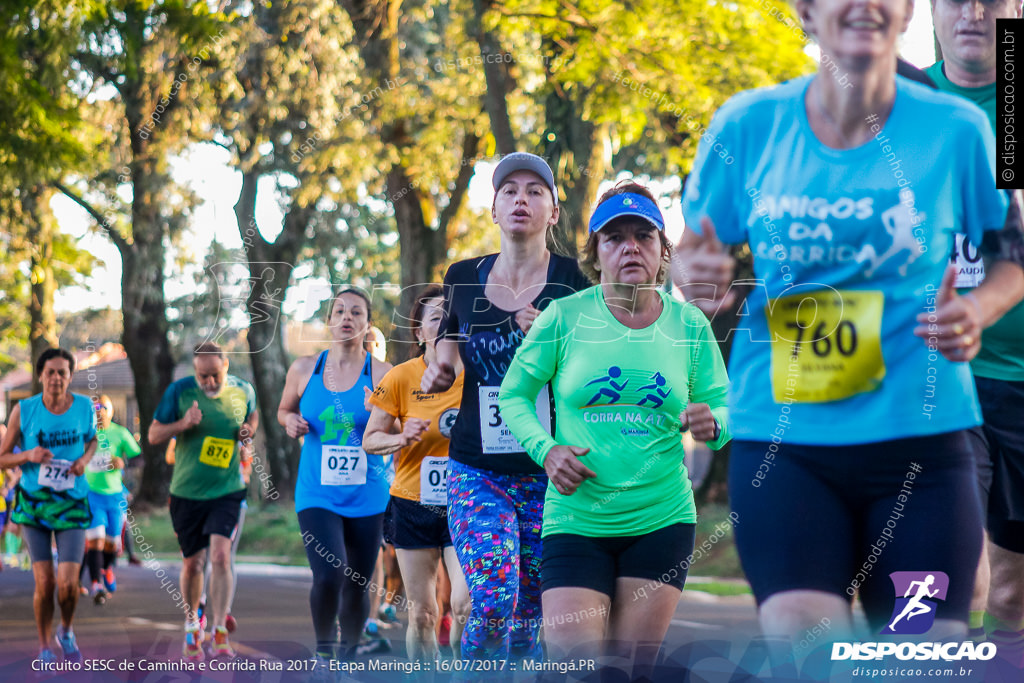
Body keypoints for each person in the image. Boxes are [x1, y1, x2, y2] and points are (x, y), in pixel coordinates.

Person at [673, 0, 1024, 643]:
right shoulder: (749, 124)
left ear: (906, 10)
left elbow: (1011, 253)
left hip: (924, 442)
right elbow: (695, 253)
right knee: (806, 643)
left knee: (922, 645)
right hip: (788, 439)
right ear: (805, 10)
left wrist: (976, 308)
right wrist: (698, 276)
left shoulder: (958, 128)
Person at [499, 184, 731, 671]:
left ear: (663, 252)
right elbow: (513, 395)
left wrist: (714, 424)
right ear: (595, 254)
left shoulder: (688, 324)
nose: (630, 247)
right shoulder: (564, 316)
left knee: (629, 670)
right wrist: (546, 450)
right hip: (576, 520)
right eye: (614, 238)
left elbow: (723, 407)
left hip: (661, 519)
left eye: (643, 236)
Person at [421, 152, 592, 661]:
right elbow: (447, 349)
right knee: (495, 599)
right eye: (510, 191)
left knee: (532, 612)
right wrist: (440, 367)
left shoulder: (575, 282)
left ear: (554, 212)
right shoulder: (463, 276)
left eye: (535, 191)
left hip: (550, 472)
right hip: (478, 468)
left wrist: (550, 337)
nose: (522, 199)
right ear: (494, 208)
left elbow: (592, 371)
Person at [928, 0, 1024, 656]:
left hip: (1019, 379)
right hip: (937, 374)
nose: (972, 12)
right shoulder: (900, 102)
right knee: (953, 577)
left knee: (1015, 590)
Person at [278, 288, 392, 668]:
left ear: (367, 324)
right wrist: (290, 421)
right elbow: (283, 411)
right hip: (318, 493)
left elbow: (402, 430)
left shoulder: (383, 374)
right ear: (328, 321)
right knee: (329, 574)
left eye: (356, 312)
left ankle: (349, 656)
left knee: (358, 581)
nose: (347, 317)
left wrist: (379, 414)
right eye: (339, 311)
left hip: (369, 493)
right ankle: (325, 652)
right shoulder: (303, 369)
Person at [364, 284, 472, 660]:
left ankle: (460, 669)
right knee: (424, 614)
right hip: (413, 504)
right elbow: (371, 439)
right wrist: (402, 438)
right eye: (435, 318)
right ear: (419, 331)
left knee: (465, 606)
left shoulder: (477, 374)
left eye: (451, 316)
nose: (444, 324)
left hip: (468, 502)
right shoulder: (400, 377)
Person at [149, 341, 258, 660]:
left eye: (214, 375)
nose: (209, 383)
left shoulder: (243, 390)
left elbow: (252, 418)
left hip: (227, 490)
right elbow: (154, 435)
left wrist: (247, 433)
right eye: (202, 377)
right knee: (193, 563)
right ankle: (192, 625)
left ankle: (219, 629)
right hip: (186, 493)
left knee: (221, 558)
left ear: (226, 366)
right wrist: (183, 424)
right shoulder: (179, 392)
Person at [0, 348, 98, 664]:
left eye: (63, 372)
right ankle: (44, 648)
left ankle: (66, 631)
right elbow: (2, 457)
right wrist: (27, 456)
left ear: (70, 377)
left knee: (69, 586)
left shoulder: (84, 407)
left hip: (71, 502)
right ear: (41, 375)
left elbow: (93, 440)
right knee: (45, 582)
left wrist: (83, 460)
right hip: (35, 504)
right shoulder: (24, 410)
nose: (56, 378)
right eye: (51, 372)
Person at [81, 395, 141, 604]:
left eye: (103, 408)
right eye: (95, 408)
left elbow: (138, 458)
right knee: (95, 539)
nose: (99, 412)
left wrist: (122, 462)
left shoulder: (120, 433)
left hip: (115, 496)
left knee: (112, 543)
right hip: (91, 494)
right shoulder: (86, 433)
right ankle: (96, 584)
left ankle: (106, 569)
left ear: (111, 411)